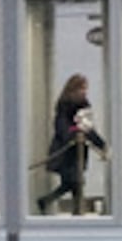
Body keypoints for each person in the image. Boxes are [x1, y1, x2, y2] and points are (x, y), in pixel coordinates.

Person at [38, 73, 108, 215]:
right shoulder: (65, 105)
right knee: (74, 182)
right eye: (82, 88)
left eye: (85, 88)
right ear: (73, 89)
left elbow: (88, 128)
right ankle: (71, 208)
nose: (84, 91)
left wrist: (101, 144)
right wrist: (73, 134)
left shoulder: (81, 106)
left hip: (75, 150)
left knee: (74, 182)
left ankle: (69, 207)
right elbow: (62, 126)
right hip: (66, 151)